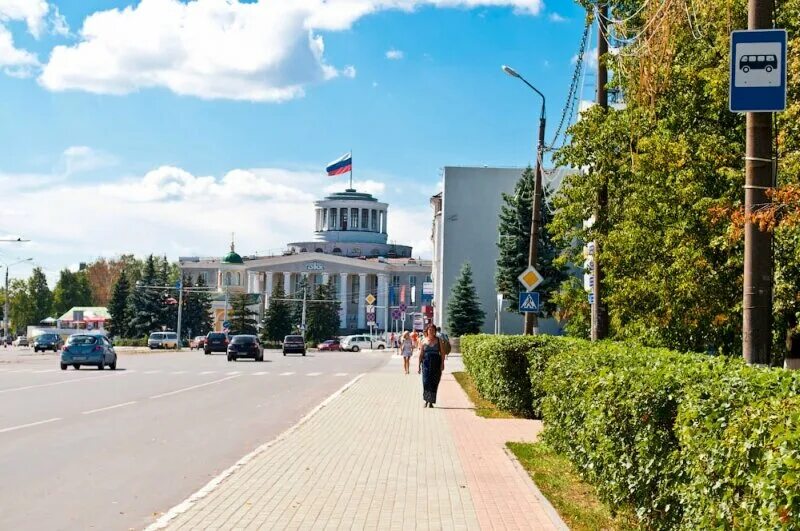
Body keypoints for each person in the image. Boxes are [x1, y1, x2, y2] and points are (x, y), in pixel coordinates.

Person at [418, 323, 445, 408]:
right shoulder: (423, 340)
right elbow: (421, 354)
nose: (431, 331)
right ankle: (426, 400)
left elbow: (442, 353)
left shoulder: (438, 340)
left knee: (434, 382)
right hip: (426, 363)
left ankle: (431, 402)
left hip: (436, 363)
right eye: (430, 330)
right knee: (426, 382)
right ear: (427, 331)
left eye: (433, 330)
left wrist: (442, 364)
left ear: (435, 331)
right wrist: (418, 365)